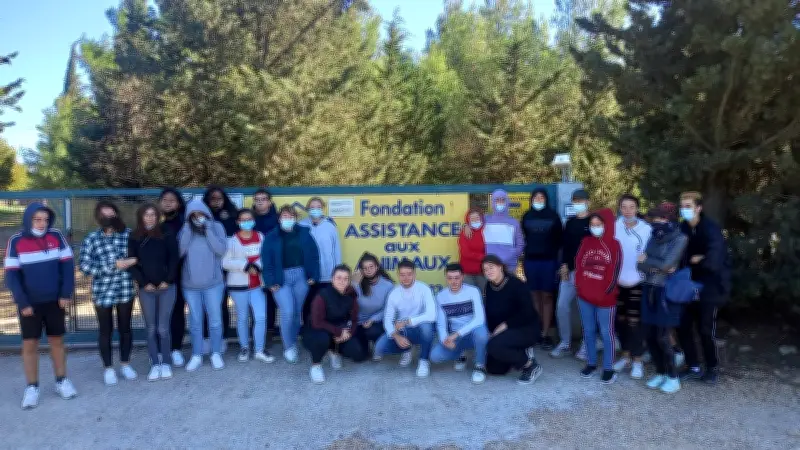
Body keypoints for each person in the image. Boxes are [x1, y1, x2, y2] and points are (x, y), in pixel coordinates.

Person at [5, 202, 78, 409]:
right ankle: (32, 387)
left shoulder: (56, 237)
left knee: (57, 342)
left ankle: (61, 381)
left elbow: (68, 266)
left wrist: (65, 294)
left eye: (45, 219)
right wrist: (23, 302)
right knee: (30, 345)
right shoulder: (16, 241)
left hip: (55, 301)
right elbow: (12, 275)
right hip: (29, 305)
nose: (41, 223)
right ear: (28, 219)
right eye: (37, 219)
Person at [79, 201, 138, 386]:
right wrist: (113, 266)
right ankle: (108, 368)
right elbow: (85, 266)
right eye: (104, 215)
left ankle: (125, 363)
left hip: (125, 289)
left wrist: (133, 261)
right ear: (98, 218)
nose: (108, 218)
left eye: (111, 215)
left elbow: (139, 256)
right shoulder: (91, 239)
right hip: (103, 291)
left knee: (125, 329)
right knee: (105, 331)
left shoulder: (128, 234)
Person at [677, 191, 730, 385]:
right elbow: (677, 257)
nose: (684, 209)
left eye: (688, 206)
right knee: (682, 326)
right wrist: (695, 260)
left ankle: (712, 368)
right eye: (682, 206)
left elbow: (714, 262)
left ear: (698, 208)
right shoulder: (681, 228)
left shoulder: (710, 229)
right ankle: (692, 366)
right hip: (686, 285)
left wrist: (694, 261)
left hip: (710, 286)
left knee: (705, 329)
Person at [638, 203, 688, 394]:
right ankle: (660, 372)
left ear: (670, 219)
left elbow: (667, 265)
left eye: (661, 218)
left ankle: (673, 377)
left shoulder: (681, 238)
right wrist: (655, 265)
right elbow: (639, 264)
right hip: (649, 287)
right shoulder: (653, 236)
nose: (656, 222)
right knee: (650, 335)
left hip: (666, 292)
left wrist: (649, 262)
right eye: (655, 218)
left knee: (663, 337)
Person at [127, 204, 180, 382]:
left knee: (163, 328)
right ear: (140, 217)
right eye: (146, 215)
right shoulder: (134, 236)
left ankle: (166, 361)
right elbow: (132, 263)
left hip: (167, 288)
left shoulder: (166, 233)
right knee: (151, 329)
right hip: (146, 289)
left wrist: (168, 280)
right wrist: (144, 283)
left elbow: (174, 258)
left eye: (152, 215)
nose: (149, 218)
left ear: (157, 217)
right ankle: (155, 362)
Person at [262, 205, 320, 364]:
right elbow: (266, 261)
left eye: (291, 216)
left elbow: (314, 255)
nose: (288, 219)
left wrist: (314, 275)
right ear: (279, 218)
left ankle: (293, 340)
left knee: (296, 312)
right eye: (284, 216)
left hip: (301, 276)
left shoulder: (304, 233)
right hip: (281, 278)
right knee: (287, 312)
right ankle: (289, 346)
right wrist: (270, 281)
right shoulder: (272, 236)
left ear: (295, 218)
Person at [179, 199, 228, 372]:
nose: (198, 218)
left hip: (214, 283)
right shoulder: (184, 230)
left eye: (201, 214)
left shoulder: (217, 227)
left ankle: (216, 353)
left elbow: (221, 250)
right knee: (195, 321)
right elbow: (180, 251)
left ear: (207, 214)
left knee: (215, 320)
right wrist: (186, 228)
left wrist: (208, 230)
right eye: (194, 215)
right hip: (190, 285)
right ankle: (197, 354)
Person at [575, 208, 622, 384]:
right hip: (585, 296)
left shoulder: (614, 245)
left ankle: (608, 367)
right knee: (588, 330)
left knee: (606, 332)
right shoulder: (586, 241)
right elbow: (579, 265)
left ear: (607, 225)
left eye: (599, 224)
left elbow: (614, 272)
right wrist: (580, 288)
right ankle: (591, 363)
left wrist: (605, 293)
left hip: (605, 299)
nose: (595, 227)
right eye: (592, 225)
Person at [222, 209, 275, 364]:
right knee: (242, 318)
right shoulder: (231, 241)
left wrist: (256, 266)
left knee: (260, 317)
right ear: (238, 222)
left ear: (253, 220)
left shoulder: (260, 236)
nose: (246, 222)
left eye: (249, 219)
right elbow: (225, 262)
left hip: (257, 285)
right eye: (243, 219)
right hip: (239, 286)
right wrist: (245, 266)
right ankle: (244, 347)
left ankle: (259, 350)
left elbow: (266, 256)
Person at [481, 255, 543, 384]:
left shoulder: (517, 285)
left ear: (500, 267)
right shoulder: (489, 286)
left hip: (526, 328)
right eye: (485, 269)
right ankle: (519, 352)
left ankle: (530, 365)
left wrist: (504, 325)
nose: (488, 272)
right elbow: (490, 312)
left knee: (494, 346)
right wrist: (491, 332)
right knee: (494, 369)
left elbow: (528, 313)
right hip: (506, 331)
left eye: (491, 267)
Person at [303, 264, 367, 383]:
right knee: (322, 338)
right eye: (338, 278)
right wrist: (338, 332)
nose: (342, 281)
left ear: (349, 280)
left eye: (346, 278)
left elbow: (354, 319)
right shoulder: (321, 295)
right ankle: (316, 365)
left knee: (358, 353)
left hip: (339, 329)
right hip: (317, 331)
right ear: (332, 279)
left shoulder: (351, 294)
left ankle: (334, 351)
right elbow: (317, 322)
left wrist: (347, 334)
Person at [374, 259, 436, 378]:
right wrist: (396, 336)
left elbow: (431, 315)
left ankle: (423, 361)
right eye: (402, 275)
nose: (406, 278)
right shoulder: (394, 293)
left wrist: (408, 321)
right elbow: (387, 319)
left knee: (427, 327)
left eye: (409, 274)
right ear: (398, 275)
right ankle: (406, 349)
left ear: (414, 274)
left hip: (420, 327)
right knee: (380, 348)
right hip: (404, 330)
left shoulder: (424, 289)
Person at [613, 194, 652, 379]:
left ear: (637, 209)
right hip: (618, 282)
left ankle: (638, 360)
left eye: (631, 207)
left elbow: (654, 253)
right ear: (619, 208)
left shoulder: (646, 229)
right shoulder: (615, 226)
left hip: (638, 281)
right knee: (620, 322)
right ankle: (626, 356)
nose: (628, 210)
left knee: (635, 323)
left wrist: (648, 259)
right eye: (624, 207)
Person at [430, 263, 489, 384]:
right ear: (446, 278)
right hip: (456, 336)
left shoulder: (473, 291)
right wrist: (445, 340)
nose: (453, 281)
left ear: (463, 277)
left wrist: (456, 334)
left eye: (457, 278)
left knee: (482, 334)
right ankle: (462, 354)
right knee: (435, 357)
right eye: (450, 278)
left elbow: (479, 319)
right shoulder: (441, 296)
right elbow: (441, 324)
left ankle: (480, 365)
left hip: (473, 332)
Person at [521, 187, 564, 350]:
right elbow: (525, 237)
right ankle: (536, 332)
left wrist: (560, 264)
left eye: (541, 197)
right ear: (532, 199)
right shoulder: (527, 216)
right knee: (534, 297)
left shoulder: (553, 217)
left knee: (547, 297)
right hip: (531, 262)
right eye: (536, 197)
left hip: (549, 262)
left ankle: (545, 334)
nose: (538, 200)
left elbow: (560, 240)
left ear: (546, 199)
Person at [550, 189, 591, 358]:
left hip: (587, 273)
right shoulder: (570, 222)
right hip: (569, 271)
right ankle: (565, 343)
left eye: (581, 200)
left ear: (588, 202)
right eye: (575, 200)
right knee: (561, 306)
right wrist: (564, 266)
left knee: (586, 310)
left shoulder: (594, 222)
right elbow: (566, 247)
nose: (578, 203)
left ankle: (587, 345)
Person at [202, 186, 238, 350]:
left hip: (229, 267)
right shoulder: (201, 217)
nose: (216, 202)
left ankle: (223, 338)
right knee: (207, 305)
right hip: (207, 266)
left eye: (219, 198)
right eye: (212, 198)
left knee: (223, 303)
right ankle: (205, 338)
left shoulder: (233, 216)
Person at [299, 197, 342, 323]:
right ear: (308, 209)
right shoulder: (301, 226)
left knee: (326, 304)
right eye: (312, 207)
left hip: (327, 273)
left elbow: (336, 250)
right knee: (308, 304)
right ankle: (307, 331)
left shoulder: (330, 226)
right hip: (308, 275)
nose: (315, 210)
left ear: (323, 209)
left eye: (318, 207)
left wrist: (337, 273)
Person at [158, 188, 187, 367]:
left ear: (178, 203)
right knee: (160, 314)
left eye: (172, 200)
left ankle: (176, 349)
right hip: (157, 276)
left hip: (180, 274)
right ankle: (161, 349)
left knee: (177, 311)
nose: (168, 203)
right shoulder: (153, 221)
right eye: (165, 199)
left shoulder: (183, 223)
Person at [352, 252, 394, 353]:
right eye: (365, 268)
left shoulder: (388, 285)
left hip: (376, 322)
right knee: (358, 355)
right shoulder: (356, 283)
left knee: (373, 331)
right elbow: (349, 304)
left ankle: (377, 345)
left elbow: (388, 309)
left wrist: (372, 319)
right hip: (357, 322)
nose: (368, 270)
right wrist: (355, 285)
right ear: (361, 270)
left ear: (377, 267)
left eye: (371, 267)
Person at [252, 188, 279, 343]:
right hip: (253, 267)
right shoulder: (249, 219)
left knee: (271, 299)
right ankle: (256, 334)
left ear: (269, 202)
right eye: (257, 199)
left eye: (263, 199)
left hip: (273, 266)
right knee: (256, 300)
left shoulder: (277, 219)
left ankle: (269, 332)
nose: (260, 201)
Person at [482, 189, 525, 273]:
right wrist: (466, 226)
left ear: (507, 201)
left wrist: (511, 255)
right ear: (493, 202)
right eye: (497, 200)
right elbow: (472, 225)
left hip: (508, 266)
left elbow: (520, 244)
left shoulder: (514, 222)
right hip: (489, 266)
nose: (500, 202)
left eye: (503, 200)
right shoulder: (484, 220)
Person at [458, 207, 486, 289]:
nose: (475, 220)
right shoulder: (465, 232)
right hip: (467, 272)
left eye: (477, 218)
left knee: (483, 296)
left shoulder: (486, 231)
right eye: (472, 218)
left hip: (483, 271)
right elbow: (465, 252)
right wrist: (483, 257)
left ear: (481, 218)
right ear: (468, 220)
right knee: (469, 295)